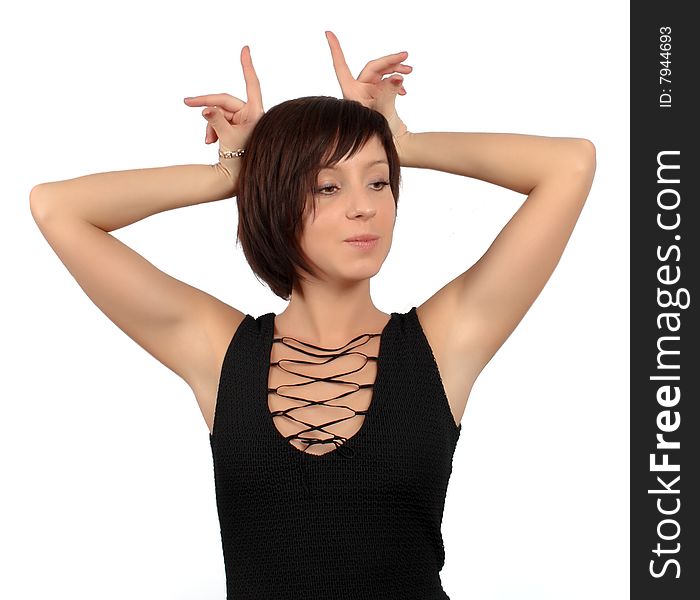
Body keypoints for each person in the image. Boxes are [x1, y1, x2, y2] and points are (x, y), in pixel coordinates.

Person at [29, 30, 596, 599]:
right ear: (277, 199)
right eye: (328, 186)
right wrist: (227, 175)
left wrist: (404, 141)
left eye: (379, 180)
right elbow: (58, 208)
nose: (363, 205)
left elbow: (570, 166)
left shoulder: (443, 341)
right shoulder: (221, 352)